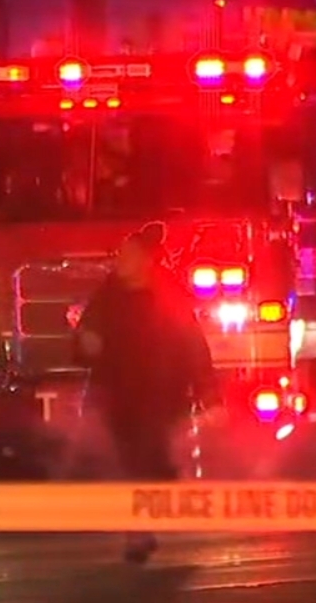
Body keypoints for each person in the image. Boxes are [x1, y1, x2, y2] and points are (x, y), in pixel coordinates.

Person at [76, 222, 223, 563]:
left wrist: (210, 396)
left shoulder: (168, 297)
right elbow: (87, 333)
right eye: (120, 255)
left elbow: (194, 347)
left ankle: (143, 525)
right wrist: (87, 343)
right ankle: (140, 527)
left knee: (148, 459)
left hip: (160, 393)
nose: (120, 261)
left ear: (146, 260)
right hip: (118, 393)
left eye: (128, 255)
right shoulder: (108, 295)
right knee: (129, 461)